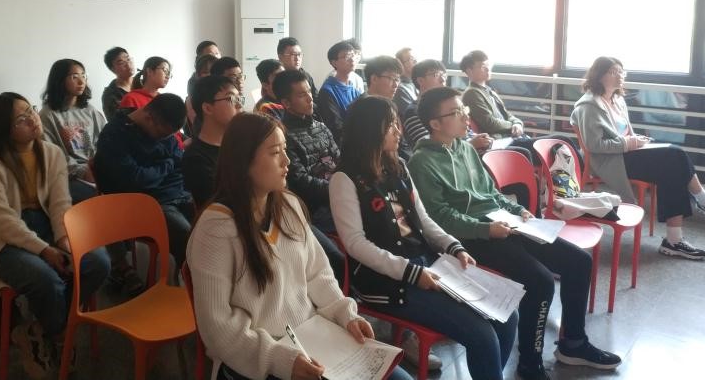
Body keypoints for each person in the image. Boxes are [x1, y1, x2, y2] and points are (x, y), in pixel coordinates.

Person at [408, 87, 621, 380]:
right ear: (435, 123)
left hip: (503, 223)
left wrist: (518, 210)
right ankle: (530, 363)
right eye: (456, 112)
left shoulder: (465, 148)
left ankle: (573, 343)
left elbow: (491, 193)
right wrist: (486, 229)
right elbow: (439, 218)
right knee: (540, 281)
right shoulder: (422, 162)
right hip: (469, 239)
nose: (465, 116)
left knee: (578, 262)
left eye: (464, 109)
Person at [186, 112, 412, 380]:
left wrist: (345, 314)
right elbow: (217, 328)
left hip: (313, 338)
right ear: (243, 161)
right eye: (275, 153)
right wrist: (279, 359)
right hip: (256, 359)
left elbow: (318, 274)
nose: (287, 160)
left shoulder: (288, 206)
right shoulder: (216, 229)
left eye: (285, 149)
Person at [329, 96, 518, 380]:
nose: (399, 131)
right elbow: (355, 244)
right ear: (369, 131)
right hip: (385, 281)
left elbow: (424, 219)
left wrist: (453, 247)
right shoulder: (344, 179)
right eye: (390, 125)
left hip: (425, 264)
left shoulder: (398, 166)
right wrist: (411, 272)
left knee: (507, 315)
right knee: (482, 335)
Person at [0, 92, 109, 379]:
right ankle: (61, 336)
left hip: (46, 225)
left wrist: (64, 240)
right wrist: (44, 250)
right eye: (21, 119)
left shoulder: (51, 152)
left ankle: (36, 330)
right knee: (45, 279)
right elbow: (1, 221)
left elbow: (60, 203)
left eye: (31, 110)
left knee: (97, 261)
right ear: (3, 129)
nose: (33, 120)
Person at [571, 56, 705, 260]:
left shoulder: (617, 100)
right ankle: (701, 205)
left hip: (626, 154)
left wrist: (636, 141)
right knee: (674, 156)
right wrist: (629, 143)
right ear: (599, 76)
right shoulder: (588, 106)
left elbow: (626, 134)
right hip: (608, 161)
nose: (620, 76)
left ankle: (675, 239)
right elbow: (594, 146)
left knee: (673, 164)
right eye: (614, 72)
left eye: (621, 72)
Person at [95, 93, 195, 271]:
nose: (165, 138)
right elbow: (137, 180)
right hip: (145, 204)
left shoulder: (164, 128)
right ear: (149, 118)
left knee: (214, 227)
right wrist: (167, 164)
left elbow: (179, 160)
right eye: (162, 135)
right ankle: (190, 284)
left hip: (179, 193)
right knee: (189, 241)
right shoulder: (114, 135)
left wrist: (160, 169)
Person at [272, 70, 347, 285]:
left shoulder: (320, 127)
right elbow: (300, 181)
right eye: (302, 95)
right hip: (315, 208)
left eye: (309, 92)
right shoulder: (284, 135)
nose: (310, 98)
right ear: (286, 103)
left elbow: (340, 162)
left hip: (339, 197)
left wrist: (348, 185)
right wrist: (338, 191)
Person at [460, 50, 578, 163]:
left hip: (512, 139)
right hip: (503, 142)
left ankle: (579, 171)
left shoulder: (489, 91)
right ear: (469, 71)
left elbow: (508, 115)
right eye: (482, 66)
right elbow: (490, 123)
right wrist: (512, 126)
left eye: (488, 65)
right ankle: (582, 172)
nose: (487, 69)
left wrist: (517, 123)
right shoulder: (472, 93)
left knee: (562, 141)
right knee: (560, 142)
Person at [39, 59, 106, 204]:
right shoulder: (48, 115)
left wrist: (99, 165)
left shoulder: (90, 110)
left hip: (97, 168)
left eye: (83, 75)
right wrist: (81, 171)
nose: (81, 82)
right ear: (60, 80)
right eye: (74, 77)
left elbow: (105, 142)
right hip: (68, 174)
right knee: (94, 197)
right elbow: (52, 154)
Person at [181, 75, 243, 208]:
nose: (239, 105)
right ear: (208, 108)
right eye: (231, 98)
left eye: (239, 99)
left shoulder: (240, 146)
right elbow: (220, 205)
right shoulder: (196, 159)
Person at [121, 56, 184, 148]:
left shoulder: (164, 100)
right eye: (165, 70)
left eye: (169, 73)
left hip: (176, 150)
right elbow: (131, 136)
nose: (168, 76)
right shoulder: (131, 98)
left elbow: (175, 132)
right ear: (150, 71)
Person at [317, 40, 362, 145]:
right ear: (334, 63)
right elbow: (336, 128)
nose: (352, 59)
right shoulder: (327, 91)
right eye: (346, 56)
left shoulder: (353, 89)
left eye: (353, 55)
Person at [101, 47, 134, 121]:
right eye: (121, 63)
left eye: (128, 59)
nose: (128, 64)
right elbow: (116, 123)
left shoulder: (144, 82)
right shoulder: (110, 94)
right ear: (112, 69)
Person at [393, 48, 418, 116]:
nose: (415, 61)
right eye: (411, 59)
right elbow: (411, 115)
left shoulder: (415, 82)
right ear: (400, 64)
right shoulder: (399, 89)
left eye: (414, 58)